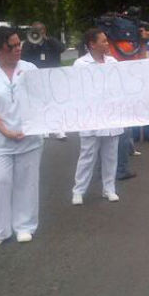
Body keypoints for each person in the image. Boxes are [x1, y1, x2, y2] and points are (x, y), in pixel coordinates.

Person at [0, 27, 44, 246]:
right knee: (0, 181)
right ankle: (1, 229)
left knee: (27, 183)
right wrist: (5, 130)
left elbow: (44, 99)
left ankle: (24, 226)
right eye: (11, 46)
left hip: (28, 137)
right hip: (0, 140)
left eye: (18, 44)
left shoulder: (30, 68)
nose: (17, 49)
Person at [71, 29, 124, 205]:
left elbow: (121, 85)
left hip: (111, 115)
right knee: (87, 155)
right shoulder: (80, 64)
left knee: (110, 155)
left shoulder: (113, 62)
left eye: (107, 41)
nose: (107, 44)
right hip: (90, 116)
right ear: (92, 44)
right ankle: (78, 190)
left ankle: (109, 189)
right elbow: (76, 90)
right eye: (103, 41)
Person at [21, 21, 67, 139]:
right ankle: (43, 128)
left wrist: (47, 39)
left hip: (53, 76)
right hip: (36, 77)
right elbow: (23, 57)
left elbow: (62, 48)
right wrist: (33, 44)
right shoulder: (28, 43)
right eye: (34, 31)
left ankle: (58, 129)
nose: (37, 33)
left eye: (40, 30)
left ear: (44, 31)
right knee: (39, 103)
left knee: (55, 102)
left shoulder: (51, 41)